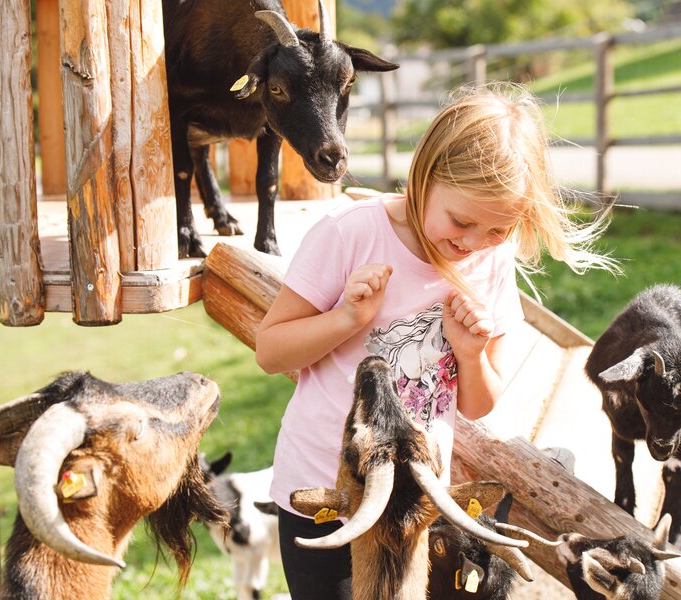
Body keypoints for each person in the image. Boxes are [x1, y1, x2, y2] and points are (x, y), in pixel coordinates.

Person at [254, 82, 617, 599]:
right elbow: (270, 351)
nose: (473, 243)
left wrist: (469, 353)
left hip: (423, 500)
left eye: (498, 230)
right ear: (425, 175)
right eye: (462, 221)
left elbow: (479, 401)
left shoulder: (490, 260)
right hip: (326, 492)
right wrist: (346, 318)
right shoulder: (349, 234)